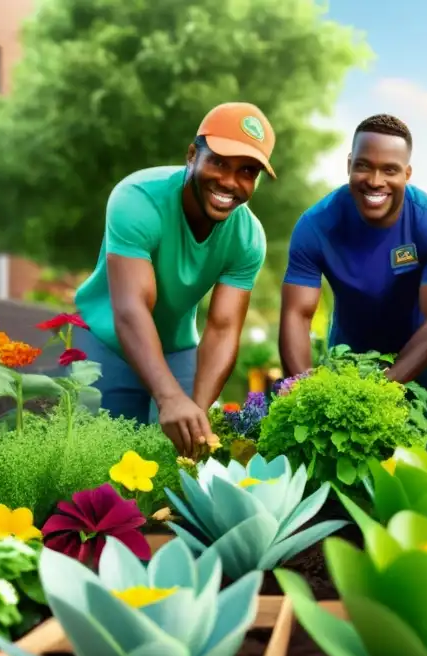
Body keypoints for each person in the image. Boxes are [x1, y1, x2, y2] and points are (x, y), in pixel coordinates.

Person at [73, 102, 275, 457]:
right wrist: (168, 397)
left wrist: (194, 408)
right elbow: (132, 309)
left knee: (179, 458)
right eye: (219, 162)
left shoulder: (248, 237)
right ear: (192, 155)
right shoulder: (137, 198)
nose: (230, 182)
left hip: (177, 346)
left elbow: (224, 329)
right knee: (98, 460)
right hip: (105, 338)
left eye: (247, 171)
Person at [278, 114, 427, 423]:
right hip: (354, 337)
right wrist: (303, 390)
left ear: (407, 174)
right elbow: (296, 315)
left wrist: (383, 386)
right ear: (349, 164)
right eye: (364, 165)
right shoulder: (315, 225)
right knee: (341, 425)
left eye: (389, 170)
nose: (375, 180)